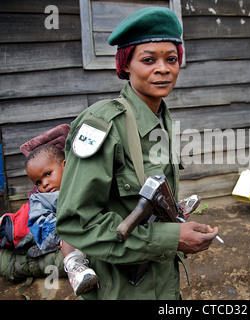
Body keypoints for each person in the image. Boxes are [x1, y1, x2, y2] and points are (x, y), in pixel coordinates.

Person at [56, 7, 219, 299]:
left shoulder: (160, 117)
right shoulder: (104, 124)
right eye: (148, 59)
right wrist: (171, 239)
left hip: (160, 278)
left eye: (171, 59)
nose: (163, 68)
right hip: (120, 286)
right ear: (126, 65)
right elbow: (76, 223)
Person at [25, 144, 99, 296]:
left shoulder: (79, 181)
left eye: (48, 174)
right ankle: (76, 269)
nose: (44, 183)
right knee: (67, 226)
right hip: (68, 235)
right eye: (38, 182)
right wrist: (62, 221)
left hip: (95, 226)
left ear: (65, 166)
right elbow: (39, 224)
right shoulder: (41, 199)